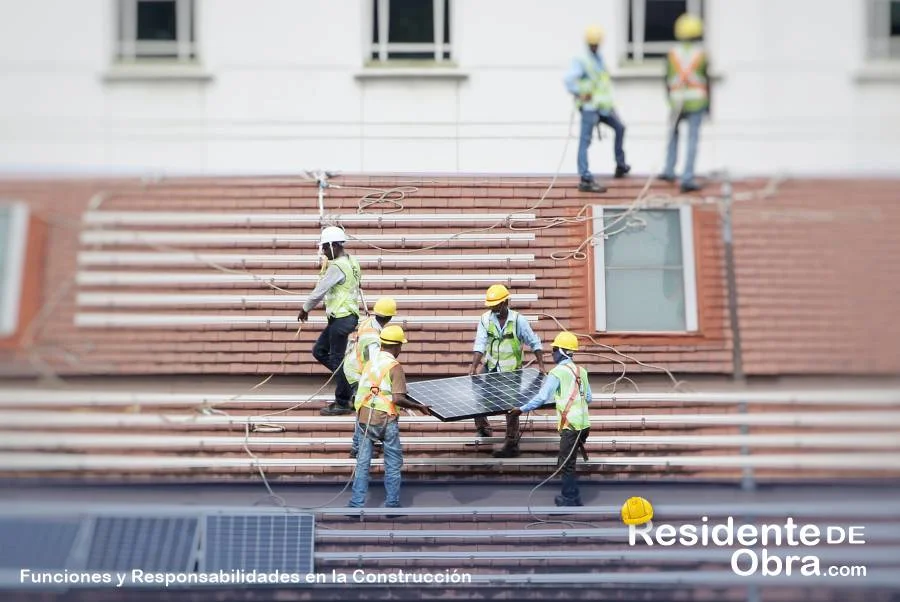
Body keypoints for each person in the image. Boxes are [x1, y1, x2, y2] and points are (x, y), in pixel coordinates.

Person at [348, 325, 430, 510]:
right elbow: (398, 397)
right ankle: (392, 503)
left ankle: (356, 504)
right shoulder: (394, 366)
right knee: (392, 463)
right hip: (386, 419)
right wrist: (419, 407)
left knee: (362, 464)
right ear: (396, 346)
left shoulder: (370, 363)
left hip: (365, 418)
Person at [510, 331, 592, 507]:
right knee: (567, 461)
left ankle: (569, 498)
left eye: (554, 349)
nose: (552, 352)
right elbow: (589, 398)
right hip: (584, 425)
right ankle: (574, 495)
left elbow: (542, 397)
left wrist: (521, 409)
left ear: (562, 351)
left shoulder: (557, 373)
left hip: (571, 426)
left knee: (566, 464)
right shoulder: (581, 371)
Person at [468, 284, 546, 458]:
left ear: (505, 302)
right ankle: (483, 429)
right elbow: (480, 343)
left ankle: (511, 442)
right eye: (491, 305)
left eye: (496, 305)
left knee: (511, 406)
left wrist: (541, 365)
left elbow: (534, 342)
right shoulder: (485, 319)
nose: (493, 308)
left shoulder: (518, 320)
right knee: (476, 392)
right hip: (491, 366)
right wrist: (474, 366)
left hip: (511, 370)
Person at [297, 226, 361, 416]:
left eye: (325, 248)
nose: (324, 252)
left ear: (334, 245)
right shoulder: (352, 261)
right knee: (319, 351)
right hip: (343, 318)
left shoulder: (337, 266)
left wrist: (305, 309)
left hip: (342, 318)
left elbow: (320, 290)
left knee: (336, 360)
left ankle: (343, 401)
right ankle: (352, 382)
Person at [564, 24, 631, 194]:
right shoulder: (581, 60)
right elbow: (569, 80)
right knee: (585, 141)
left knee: (620, 128)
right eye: (593, 43)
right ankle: (585, 177)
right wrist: (581, 93)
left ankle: (620, 164)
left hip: (603, 107)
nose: (595, 46)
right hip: (589, 107)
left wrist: (609, 104)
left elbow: (602, 84)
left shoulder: (599, 59)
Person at [659, 13, 711, 193]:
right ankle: (687, 177)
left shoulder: (672, 53)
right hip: (696, 101)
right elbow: (706, 78)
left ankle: (669, 170)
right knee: (692, 139)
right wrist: (709, 106)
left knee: (672, 135)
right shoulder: (701, 54)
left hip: (676, 101)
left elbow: (666, 78)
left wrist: (670, 99)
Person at [344, 296, 397, 458]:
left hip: (354, 367)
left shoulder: (368, 323)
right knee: (364, 408)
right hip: (359, 373)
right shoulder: (374, 339)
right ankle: (358, 447)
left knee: (364, 407)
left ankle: (358, 446)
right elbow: (376, 364)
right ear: (390, 317)